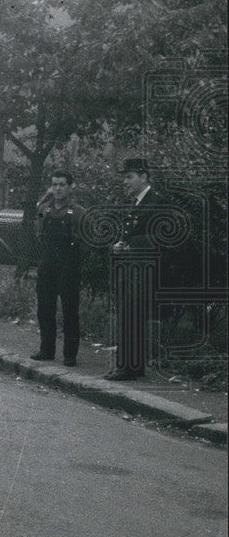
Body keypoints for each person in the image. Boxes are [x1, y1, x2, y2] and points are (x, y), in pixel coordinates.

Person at [105, 158, 165, 381]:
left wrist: (132, 245)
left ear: (144, 177)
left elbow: (162, 237)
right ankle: (132, 366)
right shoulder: (137, 203)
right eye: (125, 176)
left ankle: (128, 367)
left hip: (144, 271)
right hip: (131, 270)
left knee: (132, 316)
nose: (125, 181)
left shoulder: (157, 203)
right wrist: (120, 245)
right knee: (128, 316)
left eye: (129, 176)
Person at [30, 171, 86, 366]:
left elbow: (84, 240)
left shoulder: (78, 212)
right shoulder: (44, 210)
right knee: (45, 308)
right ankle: (46, 350)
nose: (58, 189)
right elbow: (38, 233)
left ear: (70, 187)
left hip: (68, 267)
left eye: (62, 184)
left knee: (70, 311)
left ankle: (70, 355)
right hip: (47, 265)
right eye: (54, 185)